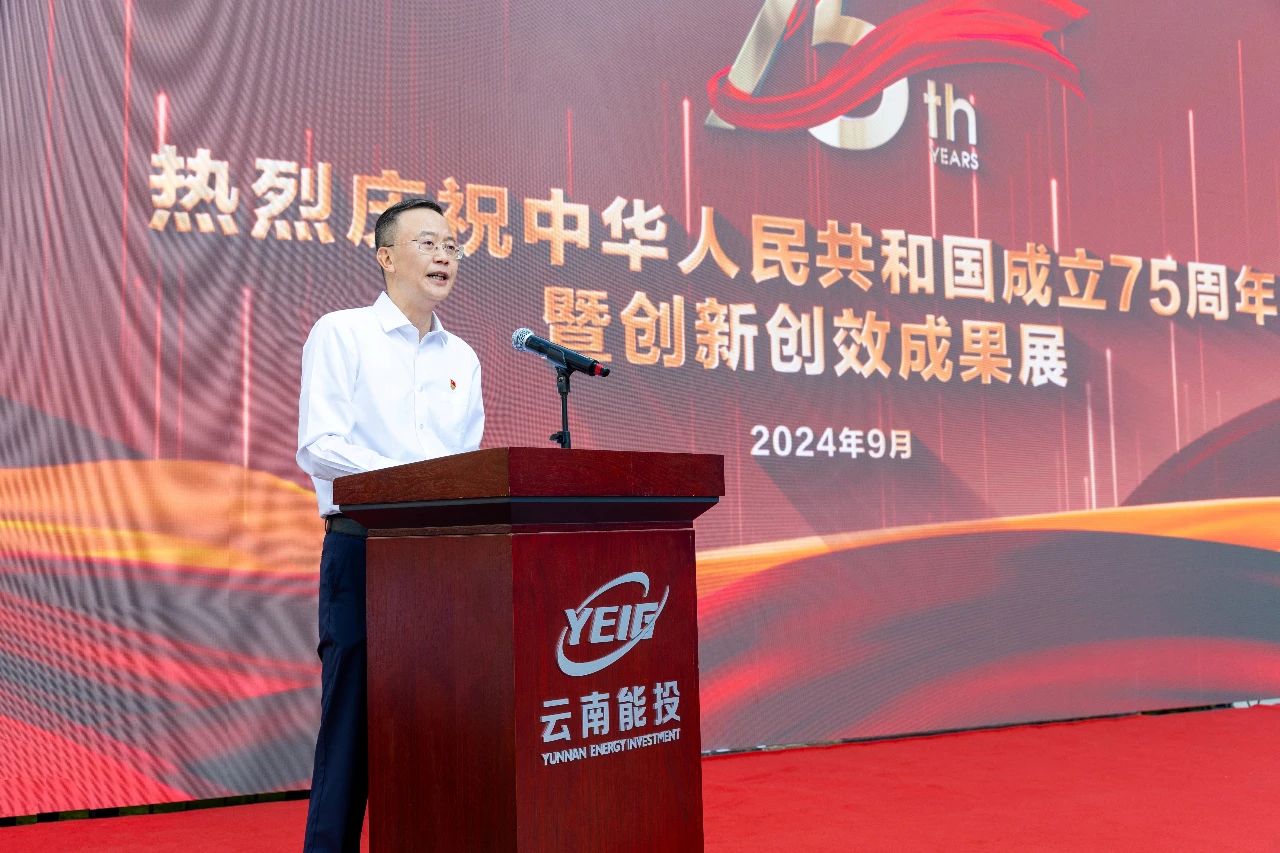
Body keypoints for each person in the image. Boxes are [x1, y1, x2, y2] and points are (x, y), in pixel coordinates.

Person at [296, 197, 484, 852]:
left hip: (441, 560)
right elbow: (320, 446)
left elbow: (466, 467)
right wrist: (409, 481)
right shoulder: (342, 333)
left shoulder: (464, 357)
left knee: (439, 718)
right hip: (364, 550)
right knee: (351, 724)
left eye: (452, 245)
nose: (443, 255)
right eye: (427, 242)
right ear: (386, 256)